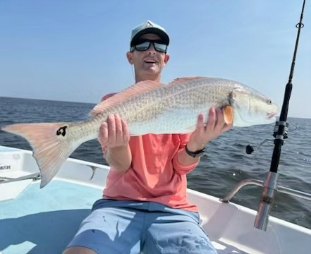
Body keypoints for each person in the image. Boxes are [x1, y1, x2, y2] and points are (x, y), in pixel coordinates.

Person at [64, 20, 232, 254]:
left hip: (174, 210)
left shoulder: (187, 104)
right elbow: (120, 165)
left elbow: (179, 167)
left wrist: (198, 144)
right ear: (130, 56)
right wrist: (119, 144)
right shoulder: (113, 103)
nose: (151, 50)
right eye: (142, 45)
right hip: (118, 204)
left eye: (159, 46)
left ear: (166, 58)